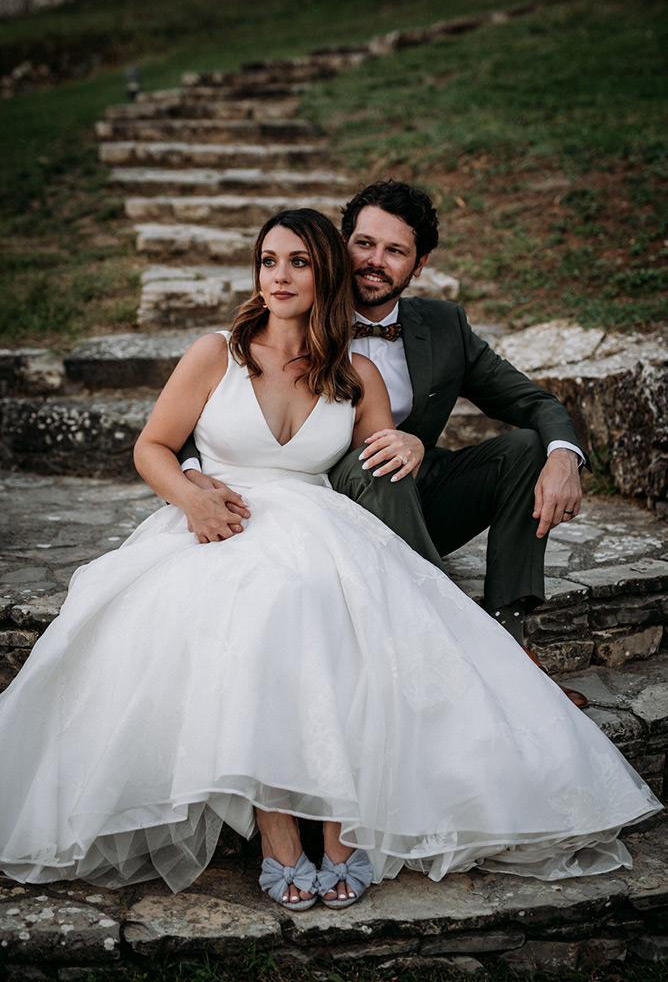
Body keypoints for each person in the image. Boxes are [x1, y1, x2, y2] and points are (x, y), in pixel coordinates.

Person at [0, 209, 660, 909]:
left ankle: (342, 826)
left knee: (329, 606)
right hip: (222, 518)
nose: (279, 276)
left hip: (321, 520)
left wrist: (412, 447)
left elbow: (384, 467)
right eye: (267, 261)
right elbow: (151, 447)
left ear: (326, 273)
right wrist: (189, 497)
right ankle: (280, 830)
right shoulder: (214, 353)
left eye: (298, 263)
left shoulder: (357, 372)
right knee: (257, 608)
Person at [180, 180, 589, 706]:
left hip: (414, 492)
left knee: (530, 447)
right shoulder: (290, 310)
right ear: (340, 244)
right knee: (377, 464)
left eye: (395, 251)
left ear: (418, 265)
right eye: (364, 244)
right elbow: (217, 410)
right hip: (325, 502)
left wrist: (563, 455)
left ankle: (507, 631)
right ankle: (460, 636)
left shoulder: (445, 327)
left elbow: (533, 401)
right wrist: (193, 475)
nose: (375, 261)